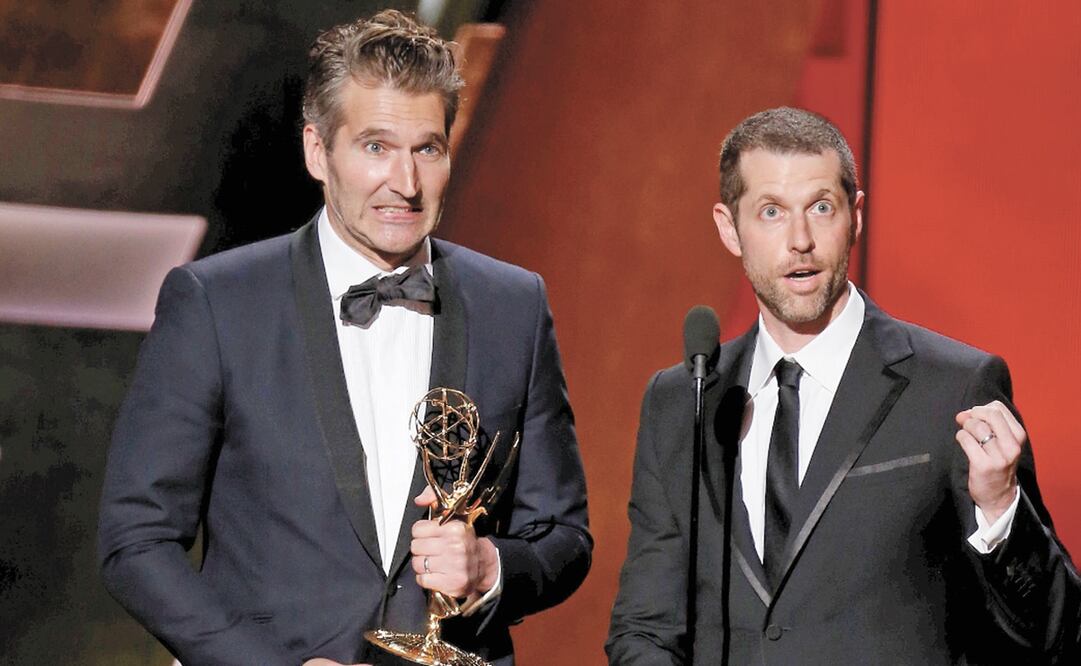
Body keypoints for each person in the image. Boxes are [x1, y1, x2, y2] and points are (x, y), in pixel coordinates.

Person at [98, 10, 591, 666]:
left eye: (427, 149)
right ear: (317, 151)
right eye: (376, 148)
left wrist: (490, 567)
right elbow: (137, 540)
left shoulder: (512, 305)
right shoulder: (217, 302)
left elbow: (563, 535)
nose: (406, 185)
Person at [606, 107, 1072, 664]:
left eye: (821, 207)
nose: (800, 240)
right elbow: (645, 629)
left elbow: (1055, 633)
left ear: (855, 217)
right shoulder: (681, 400)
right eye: (772, 212)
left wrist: (1001, 509)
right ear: (729, 228)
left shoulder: (953, 387)